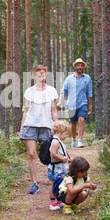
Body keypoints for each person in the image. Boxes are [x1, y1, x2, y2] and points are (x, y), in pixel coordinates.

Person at [19, 65, 58, 195]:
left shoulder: (51, 91)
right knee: (31, 154)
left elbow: (53, 110)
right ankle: (34, 183)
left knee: (50, 154)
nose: (41, 77)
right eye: (38, 75)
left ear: (45, 75)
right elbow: (26, 111)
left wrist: (57, 127)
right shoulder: (29, 91)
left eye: (43, 74)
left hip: (46, 125)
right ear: (34, 76)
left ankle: (54, 181)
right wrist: (21, 128)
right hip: (30, 125)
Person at [57, 58, 93, 148]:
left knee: (81, 120)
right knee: (73, 123)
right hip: (71, 104)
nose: (80, 67)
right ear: (75, 67)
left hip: (83, 103)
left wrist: (90, 105)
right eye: (78, 65)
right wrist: (60, 102)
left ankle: (80, 141)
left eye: (81, 65)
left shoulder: (87, 78)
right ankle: (74, 140)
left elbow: (89, 93)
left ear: (83, 67)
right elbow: (64, 91)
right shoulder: (69, 79)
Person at [47, 120, 71, 211]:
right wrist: (62, 159)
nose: (66, 136)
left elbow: (60, 153)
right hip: (55, 168)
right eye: (66, 134)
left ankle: (59, 200)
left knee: (60, 183)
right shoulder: (55, 142)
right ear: (62, 132)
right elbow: (53, 154)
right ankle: (52, 203)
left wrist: (67, 160)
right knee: (54, 184)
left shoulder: (58, 141)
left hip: (60, 167)